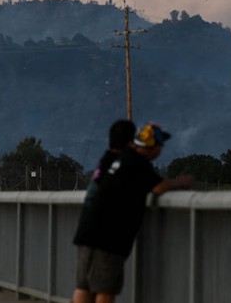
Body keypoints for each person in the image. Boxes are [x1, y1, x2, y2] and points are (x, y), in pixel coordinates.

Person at [72, 122, 194, 303]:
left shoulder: (122, 158)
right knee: (105, 288)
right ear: (152, 146)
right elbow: (157, 187)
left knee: (85, 286)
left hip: (88, 229)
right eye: (160, 146)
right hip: (109, 236)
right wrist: (180, 182)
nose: (160, 150)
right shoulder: (138, 163)